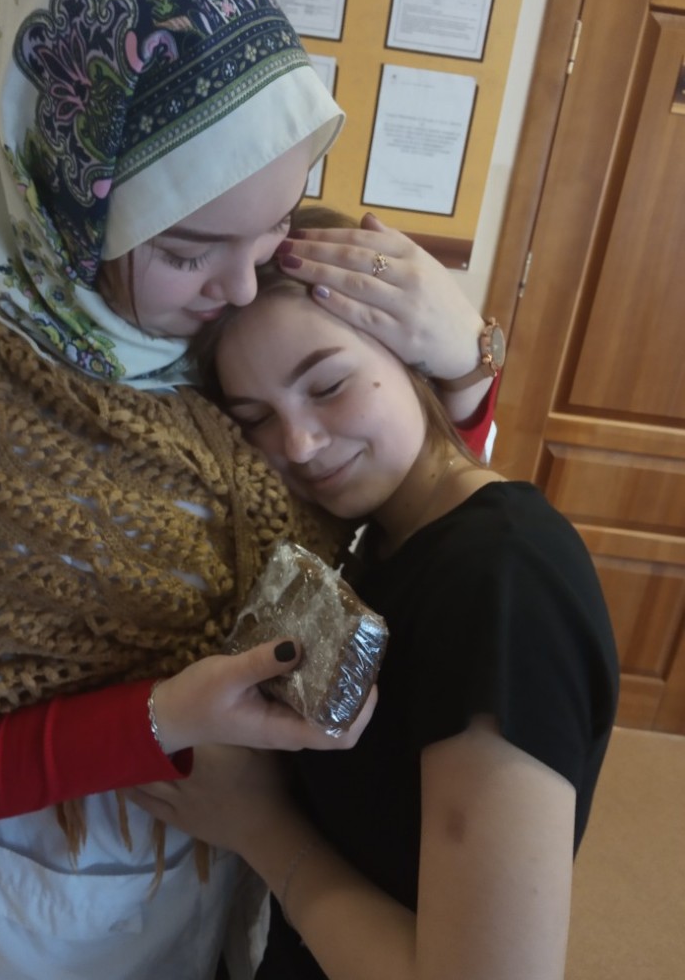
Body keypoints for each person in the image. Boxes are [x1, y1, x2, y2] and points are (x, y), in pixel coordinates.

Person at [0, 0, 498, 979]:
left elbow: (397, 522)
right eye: (189, 250)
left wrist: (464, 373)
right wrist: (162, 718)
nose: (240, 287)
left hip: (228, 884)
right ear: (61, 201)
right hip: (23, 913)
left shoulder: (269, 303)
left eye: (276, 222)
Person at [129, 215, 620, 980]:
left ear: (414, 354)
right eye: (255, 420)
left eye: (328, 386)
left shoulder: (501, 582)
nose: (298, 445)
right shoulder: (381, 539)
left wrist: (260, 828)